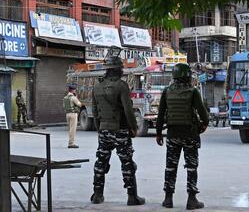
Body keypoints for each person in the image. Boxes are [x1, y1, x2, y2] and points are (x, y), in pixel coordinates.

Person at [91, 54, 145, 206]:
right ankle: (132, 196)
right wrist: (133, 128)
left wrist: (99, 129)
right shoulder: (121, 86)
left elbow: (94, 111)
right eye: (121, 67)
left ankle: (97, 194)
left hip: (103, 130)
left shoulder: (97, 87)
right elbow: (128, 110)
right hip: (120, 129)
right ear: (117, 69)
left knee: (101, 162)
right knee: (127, 162)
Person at [156, 63, 209, 210]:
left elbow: (160, 115)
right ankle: (192, 200)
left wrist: (159, 133)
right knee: (191, 167)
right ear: (187, 76)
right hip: (190, 135)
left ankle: (168, 199)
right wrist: (203, 125)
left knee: (170, 167)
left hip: (172, 134)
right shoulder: (193, 92)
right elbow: (204, 115)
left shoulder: (167, 92)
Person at [63, 84, 82, 148]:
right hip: (73, 114)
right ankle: (71, 143)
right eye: (75, 90)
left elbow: (64, 106)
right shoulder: (73, 97)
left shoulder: (65, 98)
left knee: (70, 129)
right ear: (73, 90)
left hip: (67, 114)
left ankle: (70, 141)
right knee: (73, 129)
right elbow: (79, 105)